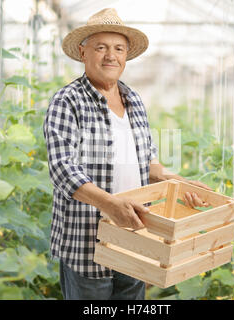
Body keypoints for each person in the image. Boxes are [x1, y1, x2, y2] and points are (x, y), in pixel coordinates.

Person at [43, 8, 211, 300]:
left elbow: (149, 164)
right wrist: (111, 205)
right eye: (101, 48)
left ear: (126, 55)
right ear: (83, 53)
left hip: (136, 236)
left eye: (118, 48)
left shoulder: (133, 99)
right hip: (87, 243)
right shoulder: (67, 100)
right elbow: (62, 169)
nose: (111, 56)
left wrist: (181, 182)